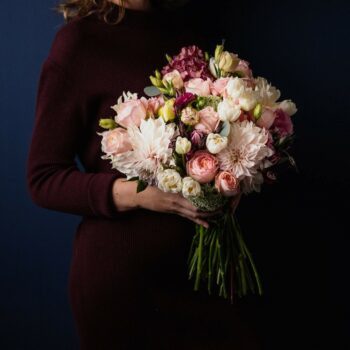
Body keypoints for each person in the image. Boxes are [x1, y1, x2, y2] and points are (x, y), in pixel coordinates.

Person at [27, 0, 261, 348]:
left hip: (209, 273)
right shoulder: (80, 43)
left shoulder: (198, 36)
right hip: (124, 281)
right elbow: (43, 178)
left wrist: (233, 180)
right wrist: (142, 195)